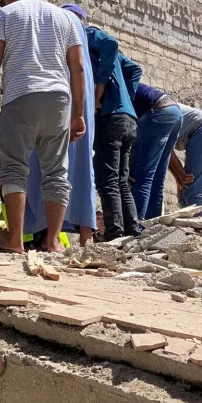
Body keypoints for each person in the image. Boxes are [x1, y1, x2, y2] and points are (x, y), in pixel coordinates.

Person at [0, 0, 86, 253]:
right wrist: (78, 114)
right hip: (59, 100)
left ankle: (14, 241)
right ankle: (52, 242)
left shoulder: (5, 15)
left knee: (15, 168)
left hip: (21, 95)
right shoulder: (66, 19)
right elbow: (77, 69)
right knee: (56, 172)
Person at [23, 2, 97, 247]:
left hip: (59, 105)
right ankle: (81, 238)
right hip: (78, 110)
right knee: (80, 169)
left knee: (47, 166)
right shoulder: (82, 39)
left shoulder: (61, 28)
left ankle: (48, 237)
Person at [80, 15, 143, 239]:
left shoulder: (84, 33)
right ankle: (132, 231)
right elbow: (135, 69)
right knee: (120, 181)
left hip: (109, 118)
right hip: (128, 119)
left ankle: (114, 234)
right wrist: (125, 97)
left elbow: (110, 42)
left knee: (107, 181)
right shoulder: (113, 60)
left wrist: (100, 90)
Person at [129, 83, 182, 220]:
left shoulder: (104, 86)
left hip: (156, 112)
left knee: (141, 177)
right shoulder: (124, 80)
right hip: (174, 111)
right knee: (157, 179)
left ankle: (135, 228)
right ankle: (151, 227)